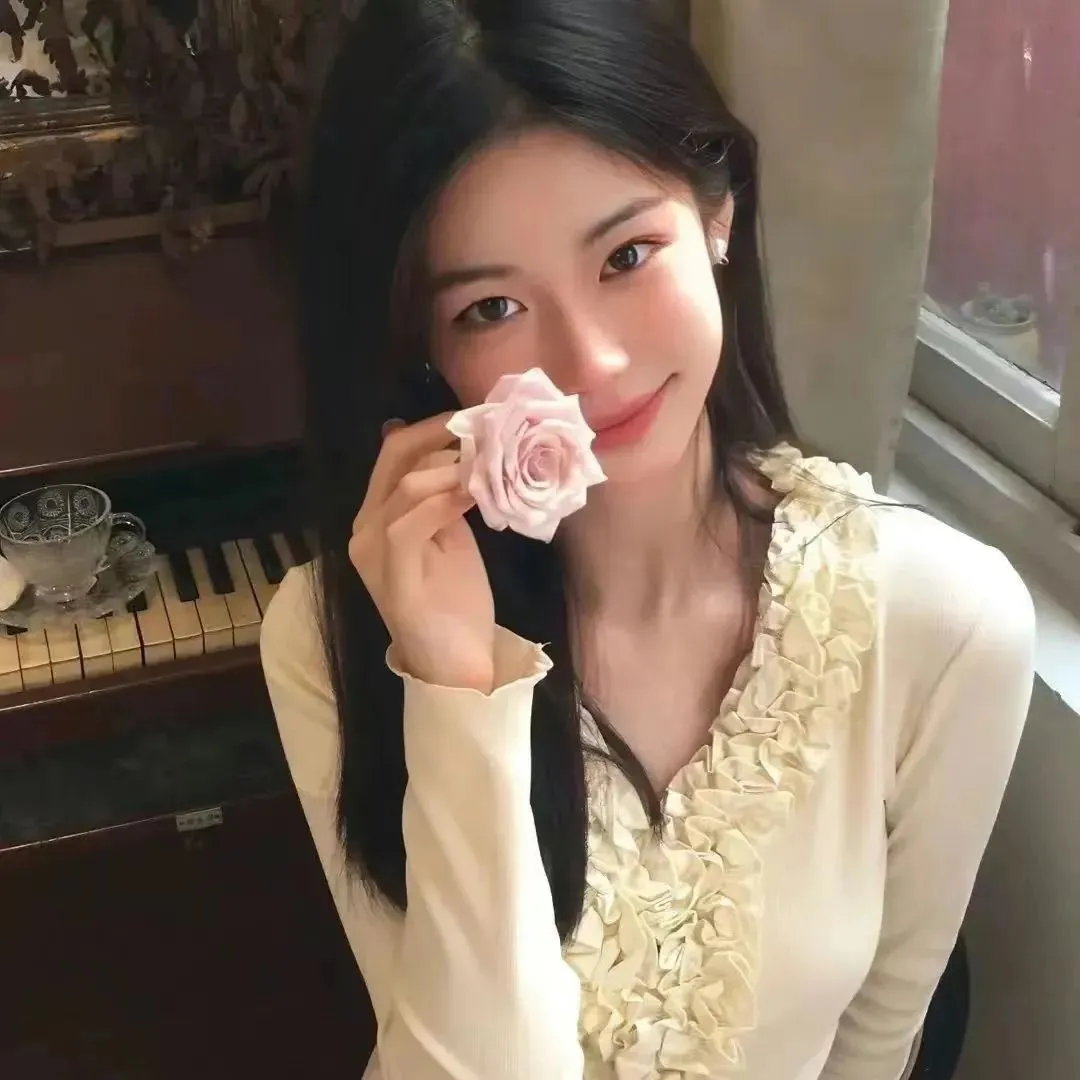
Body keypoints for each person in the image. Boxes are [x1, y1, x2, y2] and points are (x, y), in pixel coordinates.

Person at [260, 2, 1037, 1077]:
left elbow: (877, 1047)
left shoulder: (948, 623)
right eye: (491, 309)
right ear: (426, 352)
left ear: (718, 214)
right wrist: (453, 689)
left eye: (626, 254)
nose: (596, 363)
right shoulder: (330, 637)